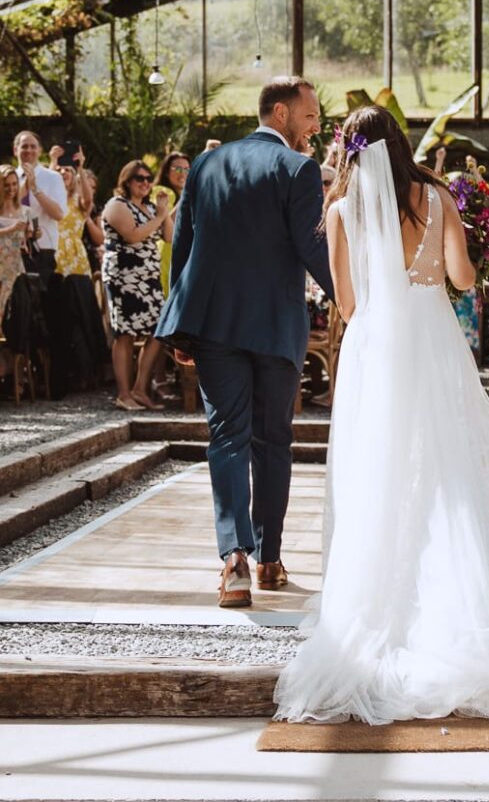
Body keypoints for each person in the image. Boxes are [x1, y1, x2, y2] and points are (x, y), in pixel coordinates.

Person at [273, 106, 489, 725]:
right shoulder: (434, 196)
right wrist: (484, 254)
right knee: (444, 472)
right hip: (432, 340)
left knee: (376, 474)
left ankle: (376, 604)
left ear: (352, 152)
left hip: (375, 349)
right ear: (402, 144)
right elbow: (459, 275)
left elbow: (346, 303)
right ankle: (456, 606)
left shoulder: (340, 209)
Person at [155, 76, 333, 608]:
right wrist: (357, 298)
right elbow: (312, 248)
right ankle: (270, 559)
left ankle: (234, 560)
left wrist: (180, 323)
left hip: (211, 324)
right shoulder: (298, 169)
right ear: (279, 112)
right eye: (309, 116)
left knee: (226, 436)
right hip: (275, 324)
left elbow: (184, 244)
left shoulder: (207, 164)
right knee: (272, 439)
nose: (315, 126)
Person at [102, 161, 172, 411]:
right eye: (138, 178)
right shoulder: (116, 205)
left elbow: (169, 236)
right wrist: (161, 216)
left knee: (159, 330)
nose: (144, 183)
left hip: (148, 279)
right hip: (124, 277)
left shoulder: (151, 208)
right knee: (125, 334)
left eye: (148, 178)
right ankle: (123, 393)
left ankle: (140, 388)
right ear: (127, 181)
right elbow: (133, 236)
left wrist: (165, 211)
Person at [13, 131, 66, 283]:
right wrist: (24, 187)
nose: (28, 150)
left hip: (43, 249)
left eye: (33, 146)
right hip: (12, 248)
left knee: (41, 301)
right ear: (15, 150)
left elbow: (58, 214)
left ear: (40, 150)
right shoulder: (6, 177)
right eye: (24, 146)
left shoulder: (53, 178)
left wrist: (35, 188)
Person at [152, 152, 191, 296]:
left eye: (187, 169)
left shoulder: (189, 195)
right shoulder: (160, 192)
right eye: (178, 168)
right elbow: (166, 227)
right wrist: (187, 193)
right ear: (167, 172)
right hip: (165, 254)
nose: (183, 173)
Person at [0, 164, 32, 326]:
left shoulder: (24, 210)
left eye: (14, 184)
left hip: (15, 265)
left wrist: (31, 234)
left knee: (15, 306)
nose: (11, 188)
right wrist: (10, 228)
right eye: (6, 185)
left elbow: (26, 237)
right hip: (1, 262)